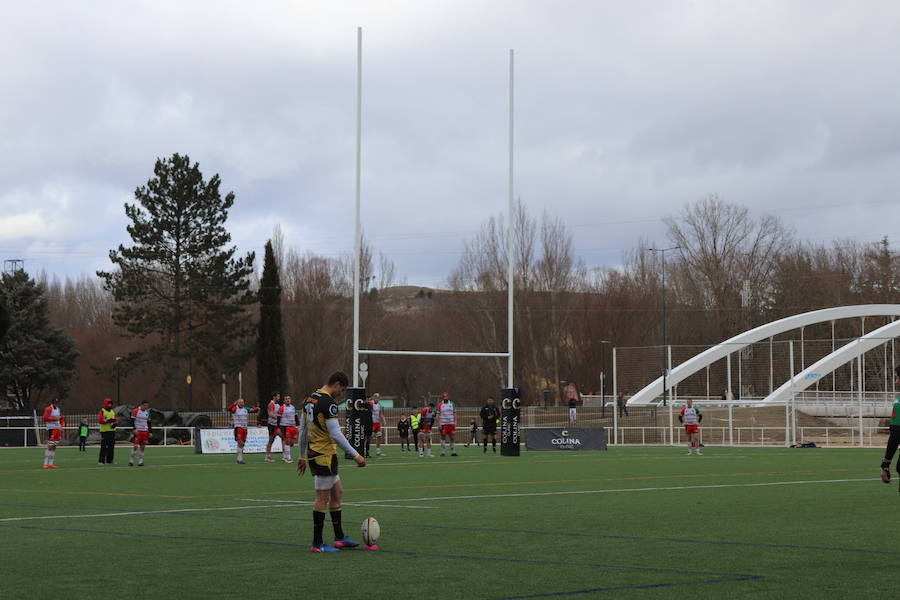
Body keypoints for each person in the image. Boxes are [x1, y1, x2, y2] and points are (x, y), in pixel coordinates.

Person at [296, 371, 366, 553]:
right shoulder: (328, 403)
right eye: (341, 390)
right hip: (322, 456)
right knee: (322, 498)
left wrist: (301, 456)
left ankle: (340, 538)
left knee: (337, 493)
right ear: (336, 384)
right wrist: (355, 454)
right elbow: (336, 434)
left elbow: (302, 430)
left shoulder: (310, 399)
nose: (341, 393)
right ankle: (317, 544)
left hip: (320, 455)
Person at [880, 366, 900, 487]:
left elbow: (897, 433)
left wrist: (885, 464)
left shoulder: (899, 402)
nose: (896, 381)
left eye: (898, 377)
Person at [227, 397, 259, 464]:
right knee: (240, 442)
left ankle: (239, 458)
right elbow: (229, 409)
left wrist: (257, 409)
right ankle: (239, 459)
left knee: (242, 444)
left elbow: (253, 410)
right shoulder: (235, 408)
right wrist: (233, 404)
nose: (241, 403)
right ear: (237, 403)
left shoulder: (245, 409)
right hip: (238, 427)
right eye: (240, 402)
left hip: (245, 428)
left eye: (242, 402)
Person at [41, 398, 63, 469]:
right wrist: (54, 419)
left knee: (54, 446)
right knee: (50, 445)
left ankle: (51, 463)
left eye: (57, 402)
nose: (56, 404)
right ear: (52, 402)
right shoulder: (48, 409)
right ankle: (45, 463)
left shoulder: (58, 409)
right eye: (55, 402)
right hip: (51, 428)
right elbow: (44, 418)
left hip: (57, 429)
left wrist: (61, 425)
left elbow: (61, 418)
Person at [129, 400, 152, 467]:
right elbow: (132, 421)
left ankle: (140, 461)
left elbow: (149, 423)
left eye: (147, 406)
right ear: (141, 405)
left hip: (145, 432)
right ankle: (131, 461)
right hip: (138, 431)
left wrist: (150, 432)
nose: (146, 407)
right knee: (135, 446)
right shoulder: (135, 411)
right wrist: (134, 429)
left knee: (142, 447)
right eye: (145, 405)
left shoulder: (147, 412)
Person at [436, 392, 458, 457]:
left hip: (451, 423)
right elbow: (437, 415)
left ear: (448, 397)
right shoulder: (440, 404)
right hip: (443, 423)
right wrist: (438, 424)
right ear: (442, 397)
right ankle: (442, 452)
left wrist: (455, 421)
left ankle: (453, 451)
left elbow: (455, 413)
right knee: (443, 437)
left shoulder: (452, 404)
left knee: (452, 437)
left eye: (446, 396)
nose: (445, 398)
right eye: (444, 397)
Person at [278, 395, 299, 463]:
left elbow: (296, 417)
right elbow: (278, 418)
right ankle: (288, 458)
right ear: (284, 401)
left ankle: (285, 455)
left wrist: (297, 425)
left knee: (292, 443)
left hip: (293, 426)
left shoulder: (293, 407)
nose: (288, 400)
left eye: (289, 399)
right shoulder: (282, 408)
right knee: (287, 441)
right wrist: (278, 427)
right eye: (286, 399)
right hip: (285, 426)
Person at [98, 398, 118, 465]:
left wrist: (115, 424)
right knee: (103, 447)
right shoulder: (102, 411)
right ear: (106, 404)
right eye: (109, 404)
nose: (110, 405)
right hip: (104, 432)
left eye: (111, 404)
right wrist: (108, 421)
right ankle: (101, 461)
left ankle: (109, 460)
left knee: (111, 447)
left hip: (112, 431)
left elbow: (116, 420)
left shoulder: (112, 411)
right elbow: (100, 421)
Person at [264, 391, 283, 463]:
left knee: (283, 436)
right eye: (278, 396)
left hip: (277, 425)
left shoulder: (277, 404)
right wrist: (277, 417)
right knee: (271, 440)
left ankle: (285, 455)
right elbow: (270, 414)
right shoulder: (271, 404)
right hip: (272, 425)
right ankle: (267, 456)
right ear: (274, 397)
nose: (279, 397)